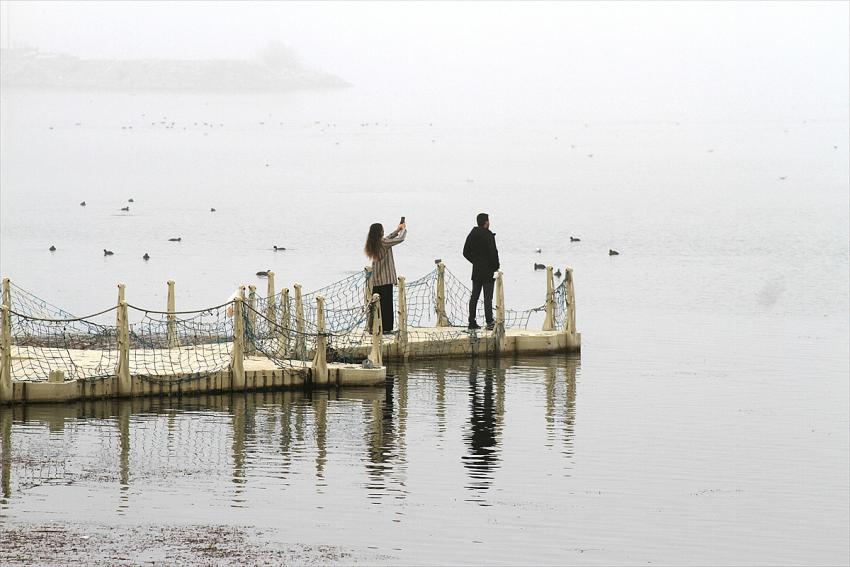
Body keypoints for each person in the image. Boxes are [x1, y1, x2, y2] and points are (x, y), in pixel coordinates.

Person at [364, 220, 407, 333]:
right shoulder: (383, 243)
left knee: (376, 306)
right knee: (387, 306)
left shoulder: (374, 243)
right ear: (380, 232)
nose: (383, 231)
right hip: (386, 280)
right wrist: (403, 230)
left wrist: (397, 230)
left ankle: (374, 327)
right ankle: (387, 328)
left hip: (377, 280)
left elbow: (389, 238)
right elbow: (400, 239)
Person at [463, 212, 500, 330]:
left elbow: (465, 252)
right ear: (485, 222)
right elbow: (493, 253)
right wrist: (496, 266)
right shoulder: (489, 236)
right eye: (488, 220)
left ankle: (471, 321)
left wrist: (475, 261)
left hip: (477, 271)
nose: (489, 222)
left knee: (474, 296)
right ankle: (489, 322)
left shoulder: (472, 234)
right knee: (487, 298)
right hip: (488, 271)